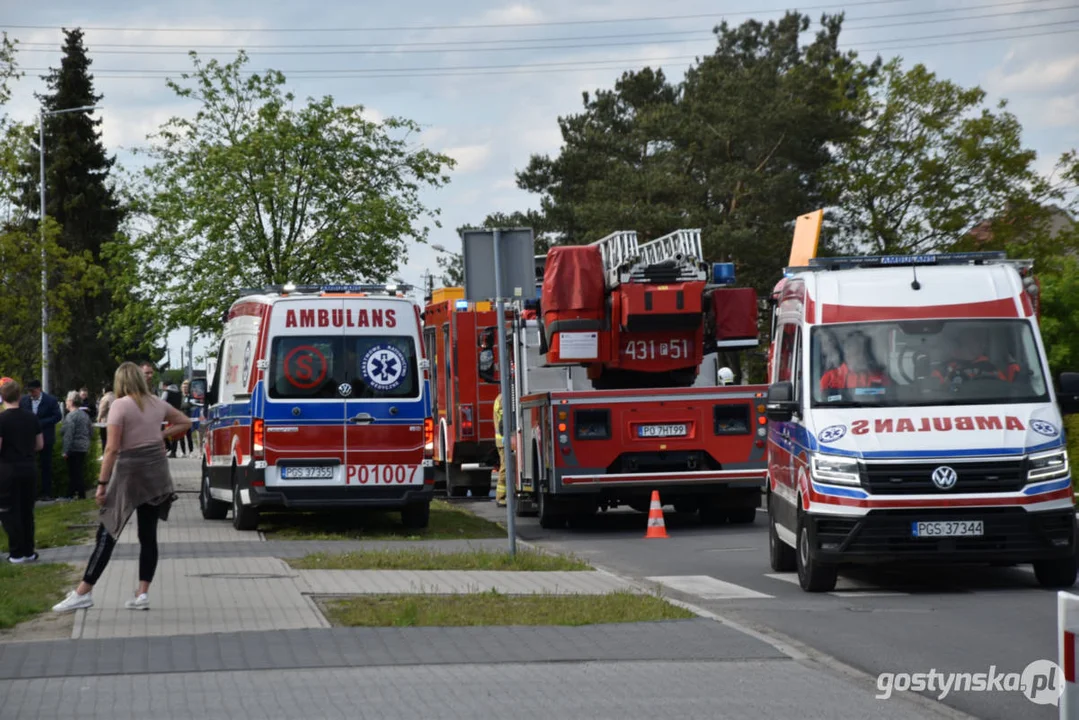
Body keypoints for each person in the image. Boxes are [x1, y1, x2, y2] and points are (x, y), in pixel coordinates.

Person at [52, 362, 190, 613]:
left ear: (120, 382)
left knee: (108, 530)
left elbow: (112, 448)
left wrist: (102, 484)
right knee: (148, 535)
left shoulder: (120, 405)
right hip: (156, 472)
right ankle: (142, 593)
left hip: (130, 471)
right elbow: (184, 421)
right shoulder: (157, 403)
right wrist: (161, 436)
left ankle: (84, 591)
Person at [0, 379, 44, 564]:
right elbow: (40, 444)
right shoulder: (31, 417)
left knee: (9, 511)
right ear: (19, 396)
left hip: (8, 470)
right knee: (27, 510)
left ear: (3, 398)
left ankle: (16, 552)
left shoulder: (1, 419)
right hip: (28, 468)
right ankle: (29, 551)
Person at [19, 379, 62, 500]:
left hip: (45, 437)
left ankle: (46, 492)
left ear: (39, 389)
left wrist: (39, 423)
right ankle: (30, 492)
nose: (31, 394)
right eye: (29, 392)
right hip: (28, 438)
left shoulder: (50, 400)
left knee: (46, 465)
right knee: (29, 465)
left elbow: (57, 416)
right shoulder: (24, 401)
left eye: (33, 391)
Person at [934, 327, 1020, 385]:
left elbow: (1003, 389)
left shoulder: (990, 367)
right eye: (977, 339)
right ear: (964, 339)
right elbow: (936, 393)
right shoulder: (944, 369)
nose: (982, 344)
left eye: (983, 340)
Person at [819, 332, 891, 390]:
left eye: (862, 352)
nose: (860, 357)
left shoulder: (880, 378)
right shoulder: (829, 379)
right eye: (855, 353)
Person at [61, 391, 92, 499]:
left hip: (74, 447)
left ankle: (76, 494)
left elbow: (68, 435)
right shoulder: (84, 415)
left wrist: (65, 450)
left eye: (67, 400)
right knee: (78, 471)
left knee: (74, 472)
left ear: (70, 401)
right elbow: (90, 430)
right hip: (83, 446)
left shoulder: (70, 416)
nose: (66, 402)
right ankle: (77, 493)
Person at [96, 386, 115, 459]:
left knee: (104, 438)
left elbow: (102, 410)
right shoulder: (116, 396)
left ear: (105, 390)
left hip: (105, 422)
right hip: (114, 421)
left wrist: (98, 418)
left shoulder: (105, 398)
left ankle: (104, 454)